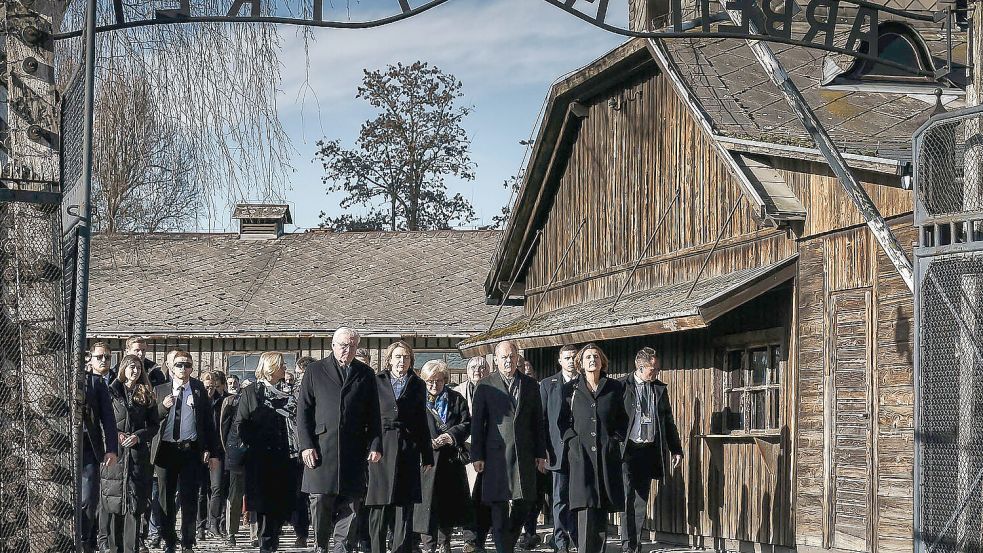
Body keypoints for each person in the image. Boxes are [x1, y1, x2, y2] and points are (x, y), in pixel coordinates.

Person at [296, 327, 383, 553]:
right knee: (320, 500)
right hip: (321, 448)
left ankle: (342, 548)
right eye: (344, 345)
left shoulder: (365, 373)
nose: (348, 350)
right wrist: (306, 445)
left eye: (353, 346)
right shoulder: (315, 370)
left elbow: (374, 413)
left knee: (352, 503)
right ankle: (321, 545)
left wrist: (375, 444)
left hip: (353, 449)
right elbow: (303, 411)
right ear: (333, 345)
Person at [471, 340, 547, 553]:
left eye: (512, 357)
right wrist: (477, 454)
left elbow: (537, 423)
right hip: (495, 454)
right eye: (503, 357)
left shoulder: (531, 385)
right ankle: (504, 548)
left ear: (518, 358)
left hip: (524, 453)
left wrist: (541, 453)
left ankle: (506, 544)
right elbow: (477, 423)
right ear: (495, 360)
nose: (508, 361)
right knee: (499, 506)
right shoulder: (485, 385)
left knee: (525, 502)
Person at [365, 341, 433, 553]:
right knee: (380, 505)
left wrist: (427, 455)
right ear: (389, 359)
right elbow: (369, 417)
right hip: (381, 448)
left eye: (405, 357)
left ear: (411, 360)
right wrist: (372, 445)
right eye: (397, 356)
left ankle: (401, 549)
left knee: (404, 505)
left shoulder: (418, 384)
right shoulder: (376, 381)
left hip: (408, 447)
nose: (401, 361)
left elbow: (422, 420)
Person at [151, 350, 220, 553]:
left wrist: (211, 451)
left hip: (189, 450)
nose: (184, 369)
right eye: (179, 364)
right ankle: (169, 541)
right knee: (166, 500)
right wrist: (163, 407)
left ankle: (188, 542)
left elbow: (208, 423)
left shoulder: (198, 389)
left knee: (190, 499)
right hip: (166, 450)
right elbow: (149, 418)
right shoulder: (160, 390)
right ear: (170, 367)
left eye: (188, 365)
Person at [234, 352, 300, 553]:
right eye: (282, 365)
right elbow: (241, 423)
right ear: (271, 367)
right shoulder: (252, 392)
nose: (285, 369)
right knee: (263, 505)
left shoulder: (289, 392)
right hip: (260, 458)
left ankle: (273, 540)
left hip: (284, 457)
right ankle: (266, 544)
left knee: (280, 505)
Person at [564, 344, 627, 553]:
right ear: (580, 363)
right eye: (588, 357)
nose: (593, 360)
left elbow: (623, 418)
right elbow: (561, 421)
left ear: (603, 362)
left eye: (596, 357)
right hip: (580, 456)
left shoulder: (614, 387)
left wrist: (614, 439)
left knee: (601, 507)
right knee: (585, 507)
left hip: (605, 456)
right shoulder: (570, 388)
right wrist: (572, 441)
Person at [619, 347, 683, 553]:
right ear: (640, 366)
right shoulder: (621, 386)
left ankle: (635, 544)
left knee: (640, 499)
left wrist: (676, 449)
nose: (656, 373)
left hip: (648, 449)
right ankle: (627, 544)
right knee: (627, 497)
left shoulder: (658, 389)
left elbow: (668, 421)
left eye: (657, 369)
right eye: (652, 369)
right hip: (627, 449)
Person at [99, 354, 161, 553]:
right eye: (131, 367)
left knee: (134, 506)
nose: (134, 371)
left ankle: (131, 548)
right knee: (113, 504)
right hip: (114, 456)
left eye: (138, 368)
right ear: (123, 369)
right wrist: (115, 434)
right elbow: (101, 422)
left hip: (136, 456)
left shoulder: (146, 394)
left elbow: (154, 426)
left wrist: (138, 436)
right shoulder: (110, 392)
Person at [412, 360, 473, 553]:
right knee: (426, 506)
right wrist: (425, 441)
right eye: (429, 381)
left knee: (447, 503)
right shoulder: (416, 399)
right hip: (426, 461)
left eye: (438, 381)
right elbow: (409, 425)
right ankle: (429, 546)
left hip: (450, 460)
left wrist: (449, 436)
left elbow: (466, 423)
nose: (434, 385)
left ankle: (444, 543)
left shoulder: (456, 399)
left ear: (445, 380)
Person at [81, 342, 120, 553]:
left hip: (88, 447)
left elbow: (108, 419)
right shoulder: (57, 381)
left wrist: (111, 448)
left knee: (88, 498)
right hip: (62, 446)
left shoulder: (95, 383)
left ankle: (86, 542)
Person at [540, 345, 579, 553]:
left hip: (580, 451)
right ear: (560, 361)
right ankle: (560, 541)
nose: (571, 361)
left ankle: (579, 538)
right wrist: (543, 449)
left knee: (579, 497)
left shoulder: (585, 383)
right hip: (557, 450)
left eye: (574, 357)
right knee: (560, 498)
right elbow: (542, 420)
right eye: (567, 358)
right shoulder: (548, 385)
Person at [457, 357, 491, 553]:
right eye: (473, 367)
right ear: (467, 370)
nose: (477, 370)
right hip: (465, 451)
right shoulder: (458, 391)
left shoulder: (495, 389)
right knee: (466, 497)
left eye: (482, 367)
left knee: (484, 498)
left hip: (489, 452)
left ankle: (480, 540)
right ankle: (469, 539)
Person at [198, 370, 230, 540]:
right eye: (207, 387)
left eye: (213, 387)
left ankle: (214, 523)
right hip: (199, 451)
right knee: (202, 491)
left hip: (217, 451)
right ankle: (200, 525)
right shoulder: (197, 401)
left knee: (217, 488)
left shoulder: (222, 401)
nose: (210, 390)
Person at [291, 357, 315, 547]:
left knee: (307, 494)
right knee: (304, 494)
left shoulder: (306, 389)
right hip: (298, 448)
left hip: (306, 447)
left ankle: (304, 533)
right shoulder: (293, 390)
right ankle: (304, 533)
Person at [220, 374, 245, 546]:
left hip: (256, 454)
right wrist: (227, 451)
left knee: (255, 494)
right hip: (235, 452)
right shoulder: (230, 402)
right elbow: (223, 428)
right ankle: (231, 532)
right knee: (234, 495)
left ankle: (255, 534)